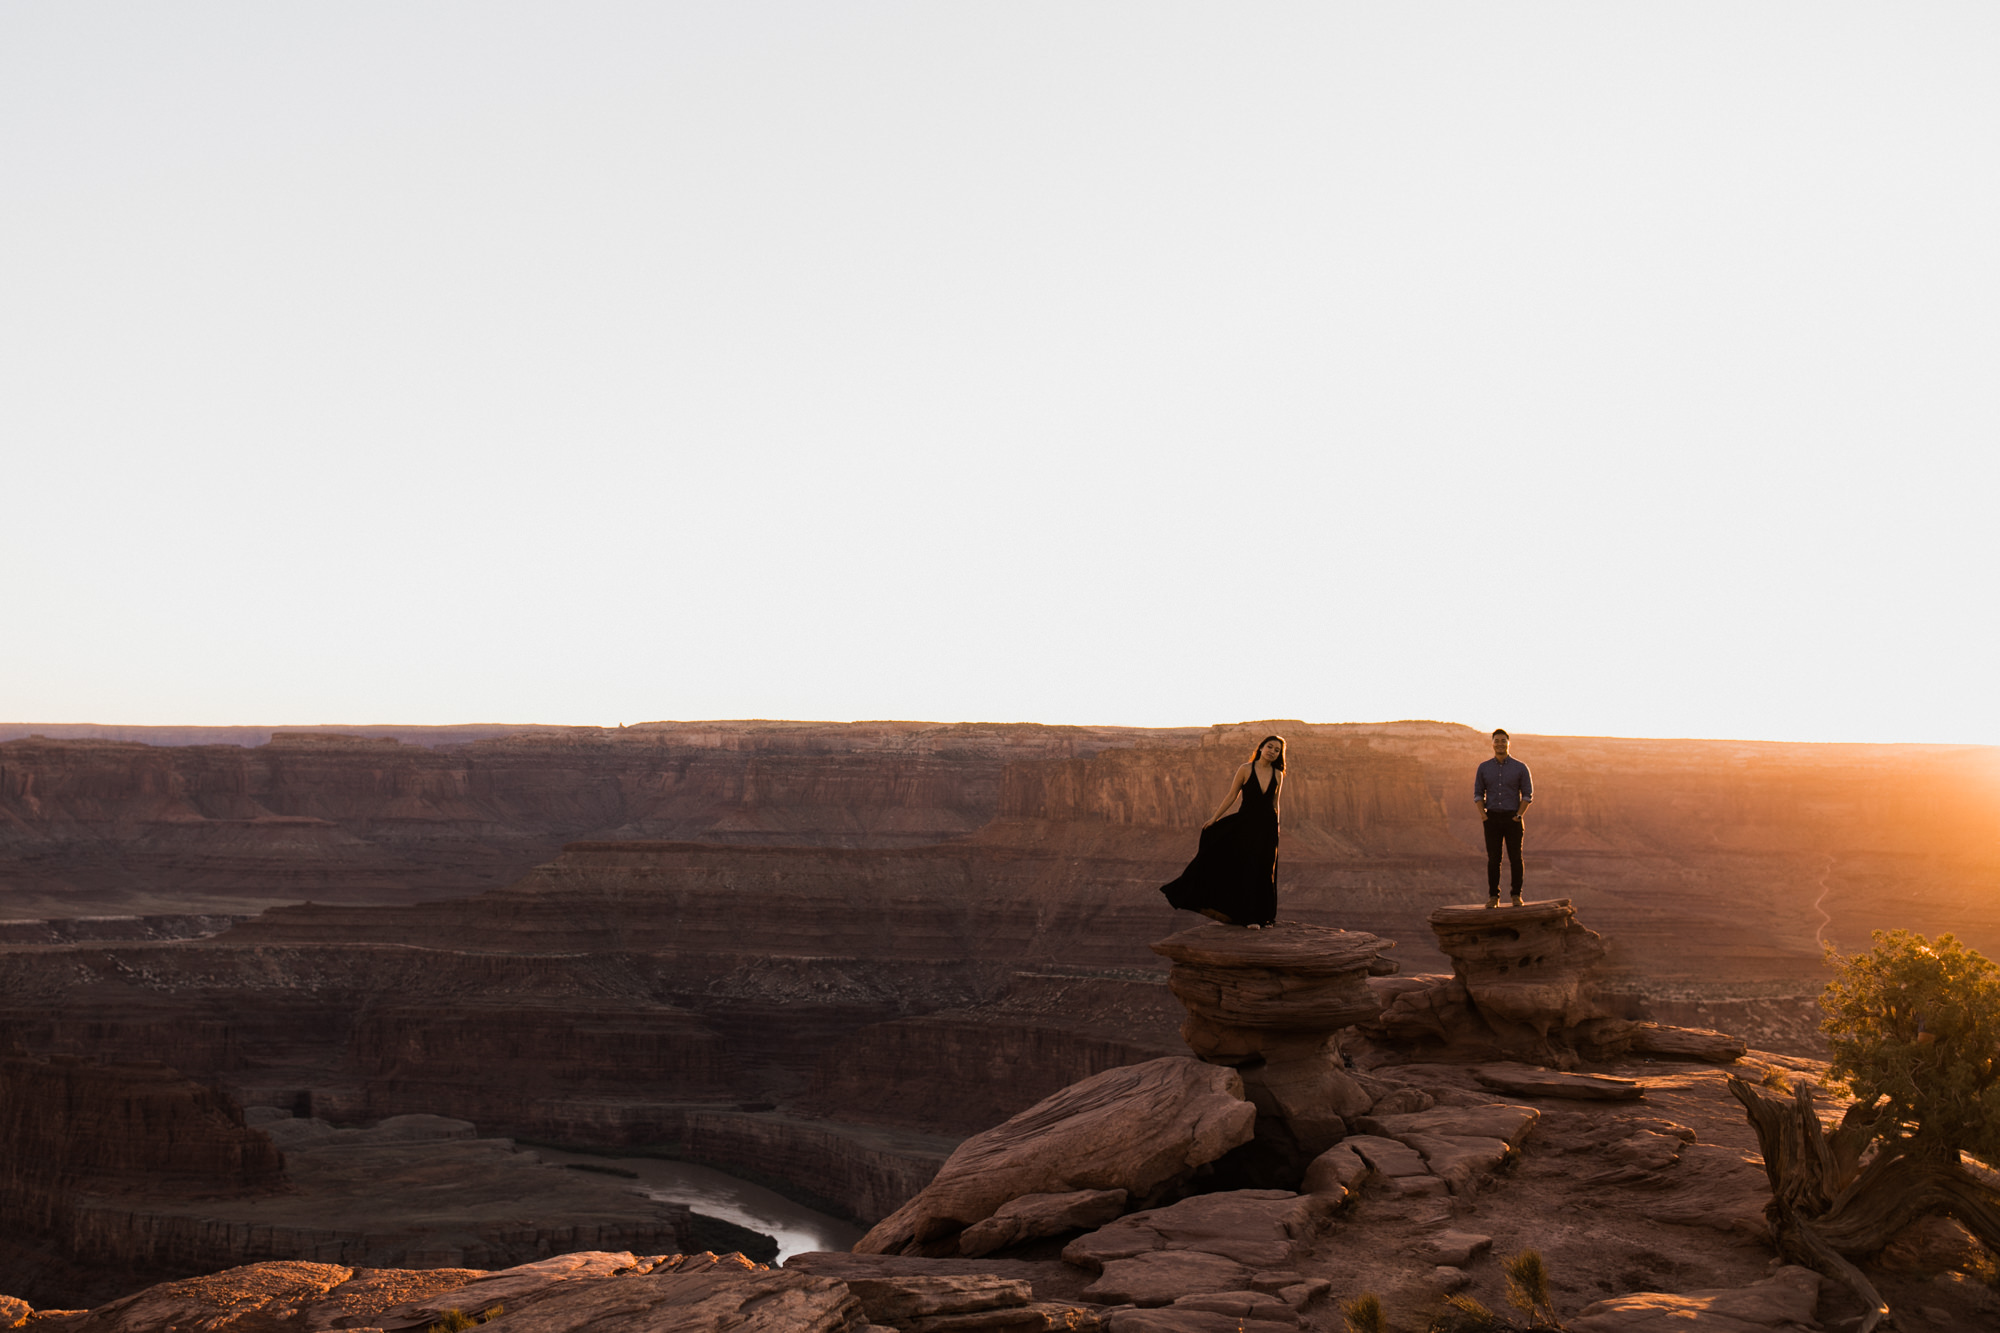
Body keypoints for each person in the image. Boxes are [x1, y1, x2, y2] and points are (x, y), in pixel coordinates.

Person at [1160, 735, 1284, 928]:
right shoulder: (1245, 769)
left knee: (1266, 869)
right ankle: (1249, 918)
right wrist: (1214, 818)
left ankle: (1265, 917)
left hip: (1268, 828)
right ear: (1260, 747)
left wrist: (1277, 827)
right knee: (1248, 868)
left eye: (1277, 750)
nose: (1273, 752)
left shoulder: (1278, 774)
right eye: (1270, 747)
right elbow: (1232, 795)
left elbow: (1275, 803)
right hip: (1246, 825)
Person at [1474, 728, 1533, 906]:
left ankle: (1516, 895)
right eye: (1496, 741)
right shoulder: (1484, 768)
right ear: (1492, 744)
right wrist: (1484, 816)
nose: (1500, 744)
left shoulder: (1520, 767)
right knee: (1494, 859)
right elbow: (1478, 794)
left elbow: (1528, 795)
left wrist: (1518, 815)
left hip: (1512, 818)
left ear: (1508, 743)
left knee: (1515, 858)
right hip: (1492, 818)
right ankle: (1494, 897)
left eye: (1503, 741)